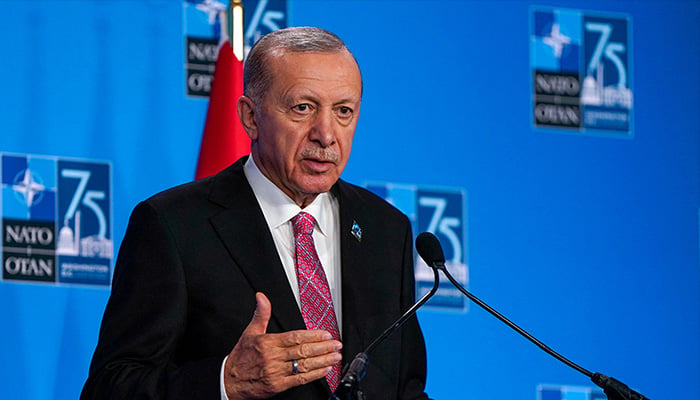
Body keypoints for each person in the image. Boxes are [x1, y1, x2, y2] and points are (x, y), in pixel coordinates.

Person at [81, 26, 429, 400]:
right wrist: (225, 382)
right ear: (250, 117)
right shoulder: (174, 225)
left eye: (343, 111)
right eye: (303, 108)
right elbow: (110, 387)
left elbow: (405, 388)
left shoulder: (386, 229)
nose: (326, 134)